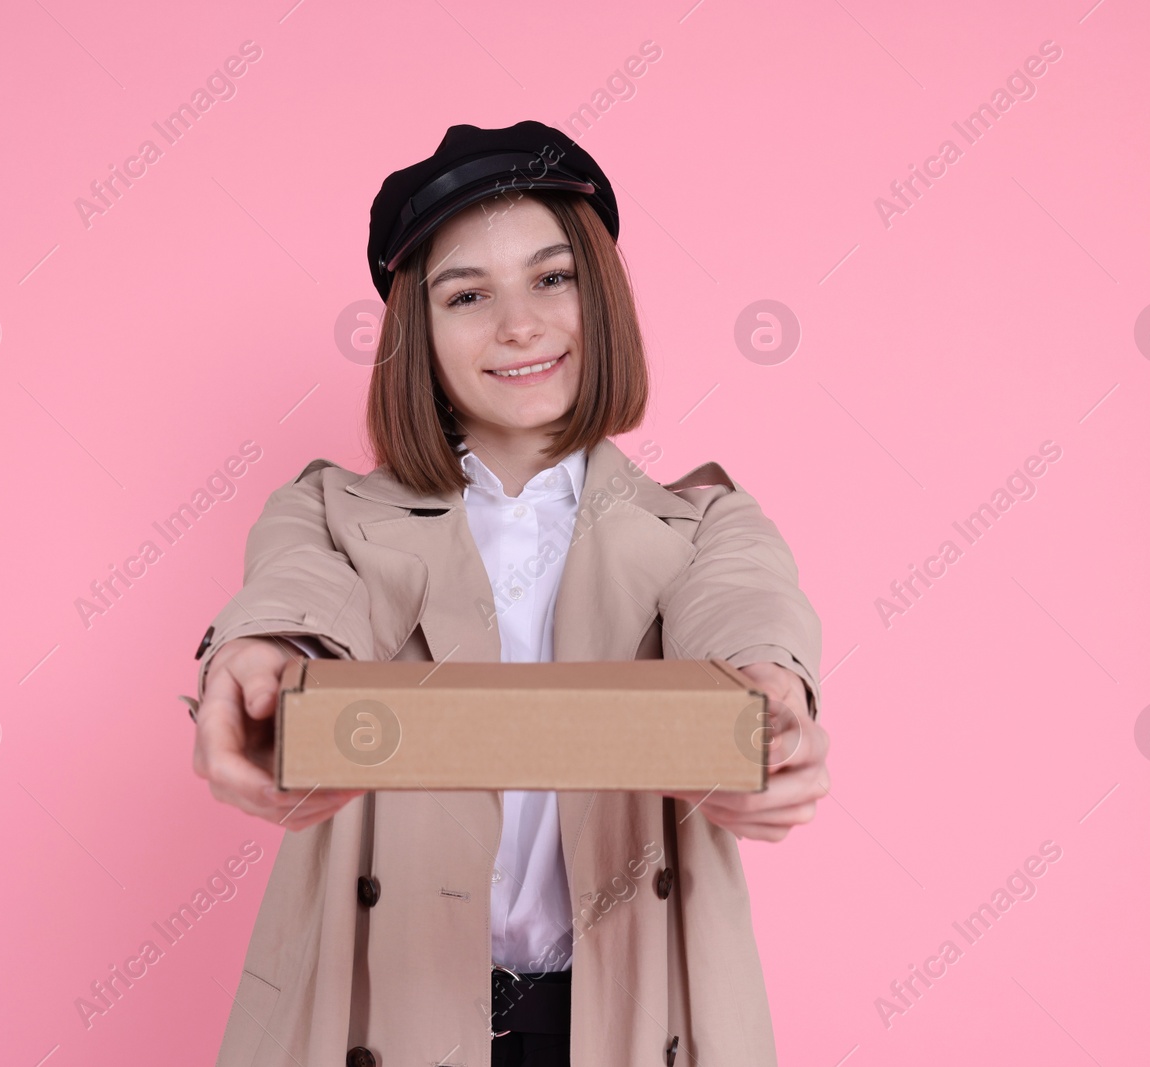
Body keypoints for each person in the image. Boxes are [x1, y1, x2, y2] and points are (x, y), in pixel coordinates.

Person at [188, 120, 828, 1067]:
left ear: (600, 297)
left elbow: (746, 604)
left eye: (552, 277)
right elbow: (299, 595)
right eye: (467, 294)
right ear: (420, 332)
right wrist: (263, 658)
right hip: (388, 1006)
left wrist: (770, 694)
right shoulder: (328, 511)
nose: (518, 324)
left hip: (626, 1010)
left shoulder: (704, 522)